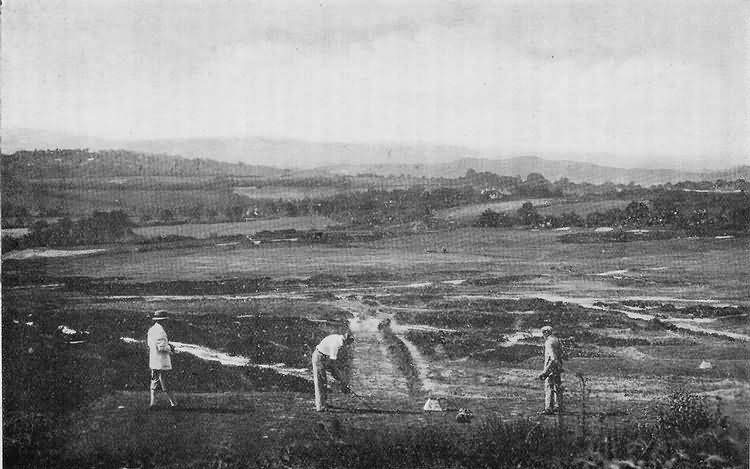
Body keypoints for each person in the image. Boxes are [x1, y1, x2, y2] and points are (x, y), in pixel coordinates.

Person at [312, 332, 354, 412]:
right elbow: (332, 364)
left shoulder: (339, 338)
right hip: (319, 357)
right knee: (320, 381)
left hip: (324, 357)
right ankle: (320, 406)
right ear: (345, 341)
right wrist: (339, 378)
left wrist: (339, 377)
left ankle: (323, 402)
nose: (347, 346)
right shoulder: (336, 344)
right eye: (347, 343)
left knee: (324, 381)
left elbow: (332, 364)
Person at [147, 310, 178, 408]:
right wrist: (171, 348)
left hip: (154, 360)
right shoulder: (160, 331)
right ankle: (174, 404)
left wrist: (167, 345)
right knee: (166, 382)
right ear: (163, 320)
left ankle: (153, 403)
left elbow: (151, 345)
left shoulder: (151, 329)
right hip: (161, 361)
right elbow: (162, 348)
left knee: (155, 382)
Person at [538, 325, 564, 414]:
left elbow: (553, 358)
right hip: (558, 367)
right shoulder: (557, 340)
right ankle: (558, 407)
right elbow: (562, 354)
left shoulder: (549, 342)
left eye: (543, 333)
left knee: (549, 387)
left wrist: (545, 372)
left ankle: (548, 408)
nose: (543, 335)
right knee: (557, 387)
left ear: (546, 332)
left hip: (551, 368)